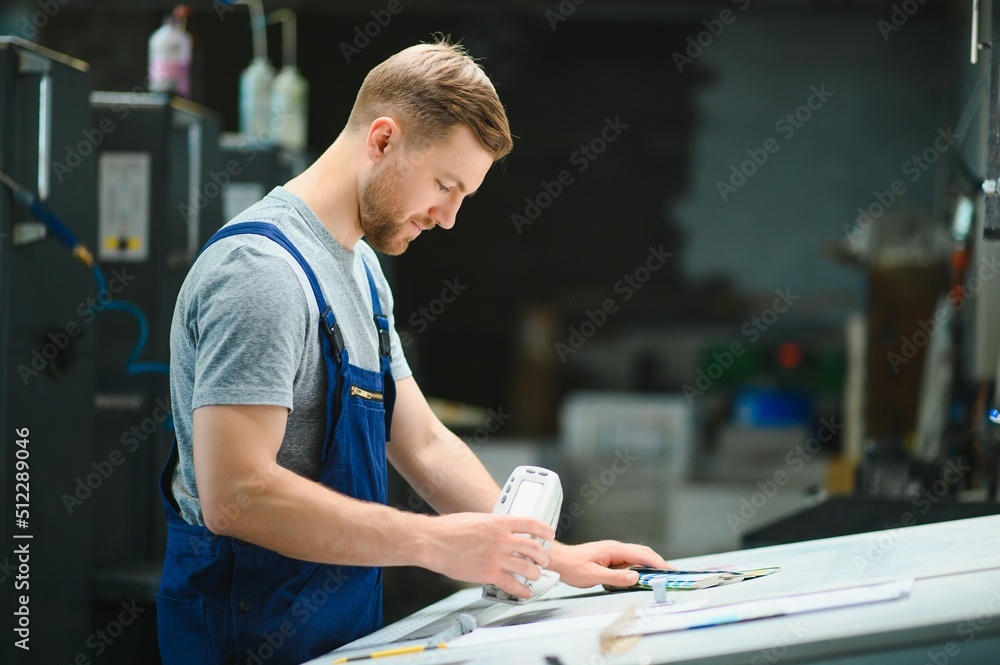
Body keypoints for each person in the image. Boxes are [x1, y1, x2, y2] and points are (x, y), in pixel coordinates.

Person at [156, 39, 670, 665]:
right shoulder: (262, 273)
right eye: (444, 185)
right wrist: (436, 544)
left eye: (464, 197)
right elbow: (236, 495)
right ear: (382, 140)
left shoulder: (363, 271)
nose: (449, 218)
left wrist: (549, 557)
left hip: (335, 628)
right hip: (245, 631)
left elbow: (423, 444)